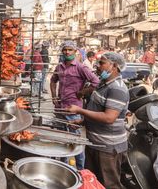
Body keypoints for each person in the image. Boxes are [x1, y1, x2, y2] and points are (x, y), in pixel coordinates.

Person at [67, 52, 129, 188]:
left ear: (114, 66)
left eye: (102, 63)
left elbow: (109, 118)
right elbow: (97, 110)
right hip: (94, 143)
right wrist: (83, 121)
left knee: (108, 184)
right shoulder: (102, 84)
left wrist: (79, 111)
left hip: (108, 147)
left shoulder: (117, 88)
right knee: (92, 182)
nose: (98, 66)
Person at [50, 40, 99, 170]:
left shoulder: (81, 67)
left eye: (70, 50)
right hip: (60, 108)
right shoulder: (59, 66)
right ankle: (63, 167)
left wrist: (82, 92)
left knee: (75, 139)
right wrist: (53, 95)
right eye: (65, 50)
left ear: (75, 51)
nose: (67, 52)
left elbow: (95, 82)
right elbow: (53, 80)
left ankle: (81, 169)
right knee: (61, 139)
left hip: (73, 109)